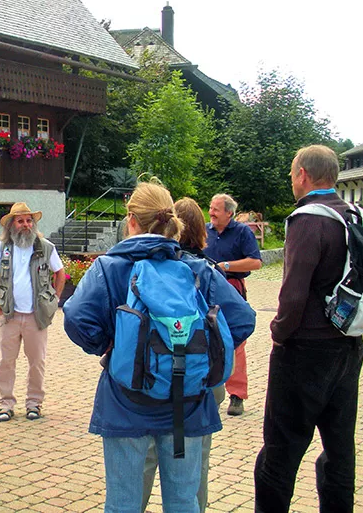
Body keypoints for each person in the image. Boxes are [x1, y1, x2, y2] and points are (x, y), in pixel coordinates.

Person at [63, 182, 256, 512]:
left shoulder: (109, 268)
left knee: (123, 502)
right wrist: (206, 353)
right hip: (188, 404)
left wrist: (111, 346)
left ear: (131, 220)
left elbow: (76, 319)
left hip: (126, 402)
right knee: (183, 501)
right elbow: (242, 320)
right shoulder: (197, 269)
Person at [254, 145, 363, 512]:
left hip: (305, 351)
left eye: (293, 174)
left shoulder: (309, 219)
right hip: (349, 346)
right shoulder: (358, 217)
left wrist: (278, 333)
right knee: (340, 451)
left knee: (280, 453)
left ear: (303, 175)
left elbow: (293, 295)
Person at [140, 196, 228, 513]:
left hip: (154, 375)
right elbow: (243, 320)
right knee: (196, 460)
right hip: (201, 380)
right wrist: (215, 352)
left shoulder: (147, 268)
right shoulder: (205, 270)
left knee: (148, 456)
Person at [0, 202, 65, 422]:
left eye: (29, 220)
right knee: (5, 362)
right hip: (10, 315)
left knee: (37, 362)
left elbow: (60, 273)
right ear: (12, 224)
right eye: (20, 220)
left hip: (36, 316)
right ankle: (5, 404)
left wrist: (54, 299)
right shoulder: (0, 248)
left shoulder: (45, 247)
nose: (26, 224)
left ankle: (34, 403)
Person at [203, 193, 262, 416]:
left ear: (229, 213)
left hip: (232, 290)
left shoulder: (242, 232)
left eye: (216, 209)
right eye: (210, 208)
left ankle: (237, 395)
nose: (211, 213)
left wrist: (225, 266)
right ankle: (208, 389)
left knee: (236, 342)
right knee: (206, 338)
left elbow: (255, 262)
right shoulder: (205, 231)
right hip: (207, 290)